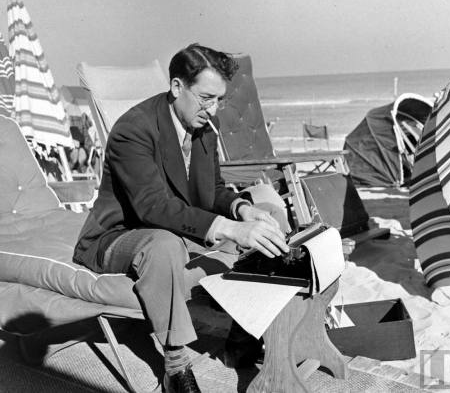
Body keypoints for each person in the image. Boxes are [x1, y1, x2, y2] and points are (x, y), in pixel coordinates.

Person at [73, 44, 290, 393]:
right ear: (177, 87)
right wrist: (231, 228)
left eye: (219, 99)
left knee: (267, 217)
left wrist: (244, 211)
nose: (213, 108)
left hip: (176, 229)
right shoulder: (133, 129)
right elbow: (152, 207)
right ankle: (175, 366)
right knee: (166, 245)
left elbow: (213, 190)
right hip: (119, 237)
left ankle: (241, 334)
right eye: (206, 97)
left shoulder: (204, 125)